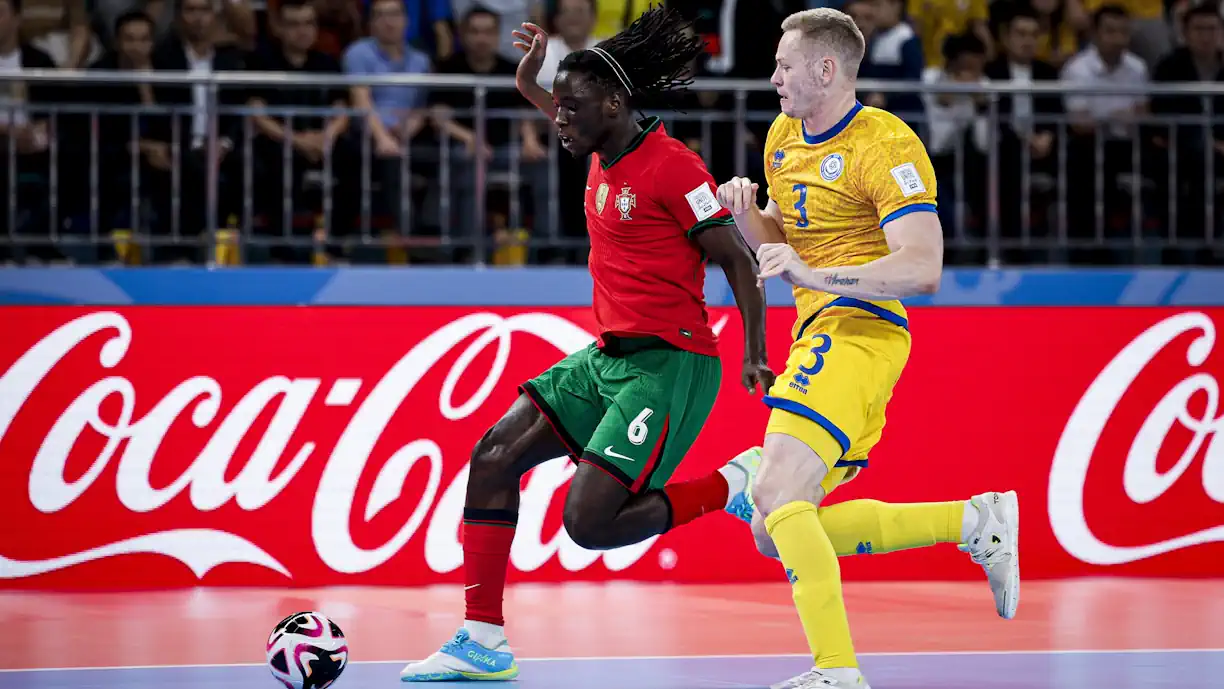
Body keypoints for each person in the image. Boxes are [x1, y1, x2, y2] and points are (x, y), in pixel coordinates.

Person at [399, 6, 772, 682]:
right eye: (558, 109)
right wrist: (530, 79)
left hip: (671, 364)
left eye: (569, 110)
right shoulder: (596, 138)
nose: (558, 120)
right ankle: (482, 638)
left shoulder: (674, 168)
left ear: (613, 104)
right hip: (609, 358)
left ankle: (732, 483)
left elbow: (738, 261)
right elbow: (560, 105)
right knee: (491, 456)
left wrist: (754, 350)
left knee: (590, 523)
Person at [713, 9, 1019, 689]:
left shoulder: (886, 142)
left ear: (826, 70)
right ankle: (975, 521)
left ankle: (837, 669)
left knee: (771, 489)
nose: (772, 79)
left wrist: (812, 274)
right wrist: (744, 215)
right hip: (816, 330)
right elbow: (782, 243)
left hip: (861, 327)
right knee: (776, 524)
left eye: (784, 66)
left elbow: (923, 266)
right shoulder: (783, 136)